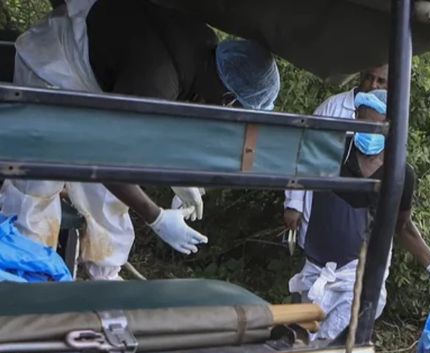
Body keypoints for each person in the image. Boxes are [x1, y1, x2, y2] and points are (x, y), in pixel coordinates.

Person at [2, 0, 280, 279]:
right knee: (38, 184)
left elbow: (161, 120)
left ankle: (105, 274)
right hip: (51, 68)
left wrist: (178, 173)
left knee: (107, 196)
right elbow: (108, 162)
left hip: (95, 81)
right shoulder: (157, 78)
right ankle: (24, 277)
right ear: (229, 100)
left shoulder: (205, 52)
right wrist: (156, 217)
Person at [287, 91, 430, 340]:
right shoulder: (333, 153)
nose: (367, 133)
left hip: (358, 272)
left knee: (343, 344)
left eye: (375, 127)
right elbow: (295, 165)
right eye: (362, 123)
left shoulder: (399, 174)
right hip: (317, 267)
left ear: (392, 128)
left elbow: (402, 226)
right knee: (301, 341)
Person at [283, 64, 389, 233]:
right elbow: (304, 152)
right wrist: (294, 203)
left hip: (364, 225)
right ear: (361, 76)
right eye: (369, 77)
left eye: (381, 81)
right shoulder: (333, 107)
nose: (373, 85)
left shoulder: (392, 118)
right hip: (320, 215)